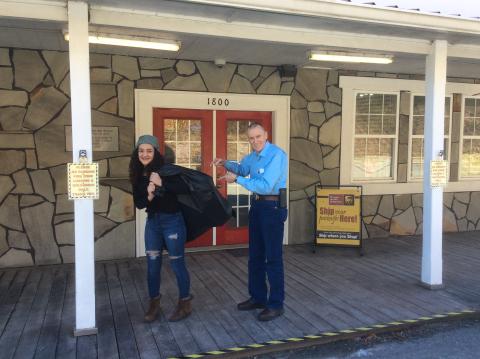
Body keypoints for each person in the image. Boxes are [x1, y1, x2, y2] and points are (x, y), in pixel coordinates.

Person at [212, 122, 288, 321]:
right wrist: (225, 163)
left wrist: (236, 180)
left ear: (266, 135)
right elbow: (243, 168)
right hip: (257, 207)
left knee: (272, 258)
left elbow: (264, 186)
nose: (255, 141)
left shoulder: (277, 155)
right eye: (251, 138)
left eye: (258, 136)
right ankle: (258, 298)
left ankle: (276, 304)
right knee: (255, 256)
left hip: (272, 208)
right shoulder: (253, 157)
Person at [129, 134, 193, 323]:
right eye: (141, 151)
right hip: (153, 224)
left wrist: (161, 182)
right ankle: (154, 303)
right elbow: (140, 204)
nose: (145, 154)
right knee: (152, 266)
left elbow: (185, 188)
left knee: (177, 263)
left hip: (172, 221)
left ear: (155, 152)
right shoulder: (137, 174)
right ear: (137, 153)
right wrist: (149, 194)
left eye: (149, 150)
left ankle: (185, 302)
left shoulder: (166, 170)